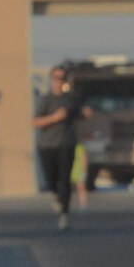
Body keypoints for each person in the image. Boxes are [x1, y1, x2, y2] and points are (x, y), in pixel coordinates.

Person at [32, 66, 89, 228]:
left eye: (62, 78)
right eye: (56, 78)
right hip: (47, 145)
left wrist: (86, 113)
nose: (59, 82)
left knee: (65, 179)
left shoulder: (70, 99)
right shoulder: (45, 100)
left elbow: (82, 113)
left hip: (67, 143)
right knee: (52, 180)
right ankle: (56, 195)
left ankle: (64, 213)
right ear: (51, 80)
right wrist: (54, 117)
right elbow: (35, 122)